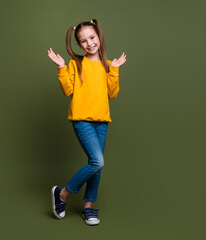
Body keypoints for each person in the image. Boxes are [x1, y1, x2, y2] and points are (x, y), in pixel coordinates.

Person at [47, 19, 126, 226]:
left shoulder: (108, 66)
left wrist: (115, 70)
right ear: (78, 45)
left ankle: (88, 208)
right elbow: (67, 90)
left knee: (97, 166)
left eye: (92, 37)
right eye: (83, 41)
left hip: (102, 122)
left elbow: (113, 93)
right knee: (97, 162)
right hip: (82, 120)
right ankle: (62, 194)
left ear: (99, 36)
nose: (89, 43)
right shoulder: (77, 63)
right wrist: (61, 68)